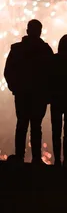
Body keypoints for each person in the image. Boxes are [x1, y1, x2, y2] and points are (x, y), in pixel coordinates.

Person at [4, 19, 53, 164]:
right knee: (36, 126)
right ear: (40, 31)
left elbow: (8, 71)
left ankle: (19, 156)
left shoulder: (17, 49)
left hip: (22, 93)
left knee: (22, 124)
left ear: (27, 31)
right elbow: (52, 74)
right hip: (39, 95)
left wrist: (15, 88)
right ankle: (36, 158)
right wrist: (48, 94)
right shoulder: (46, 50)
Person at [50, 34, 67, 166]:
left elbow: (47, 79)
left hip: (56, 99)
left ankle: (56, 159)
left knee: (56, 131)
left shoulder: (54, 59)